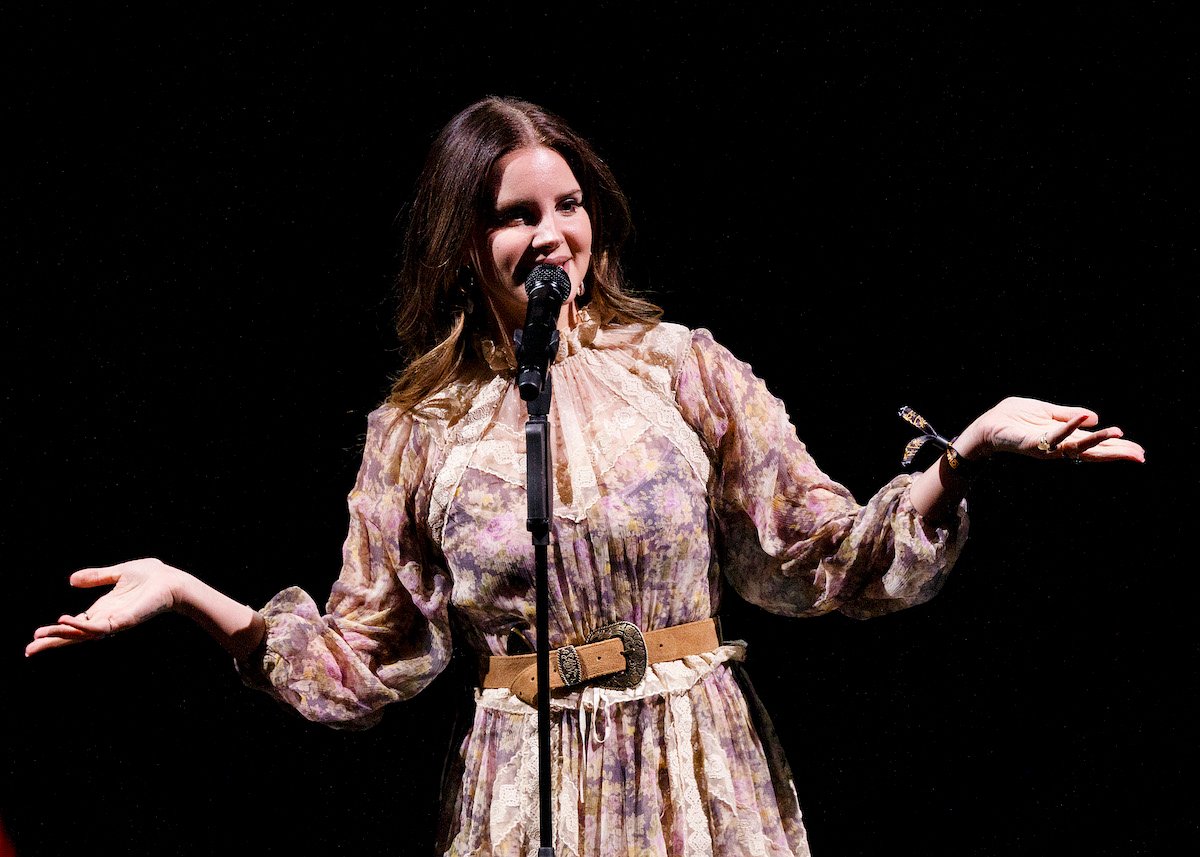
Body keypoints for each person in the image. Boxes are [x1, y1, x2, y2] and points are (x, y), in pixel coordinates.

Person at [26, 95, 1146, 856]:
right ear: (468, 246)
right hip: (529, 786)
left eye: (567, 205)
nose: (552, 233)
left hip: (701, 772)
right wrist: (184, 588)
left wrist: (966, 453)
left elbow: (822, 555)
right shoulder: (422, 430)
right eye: (517, 215)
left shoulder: (681, 367)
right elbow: (361, 662)